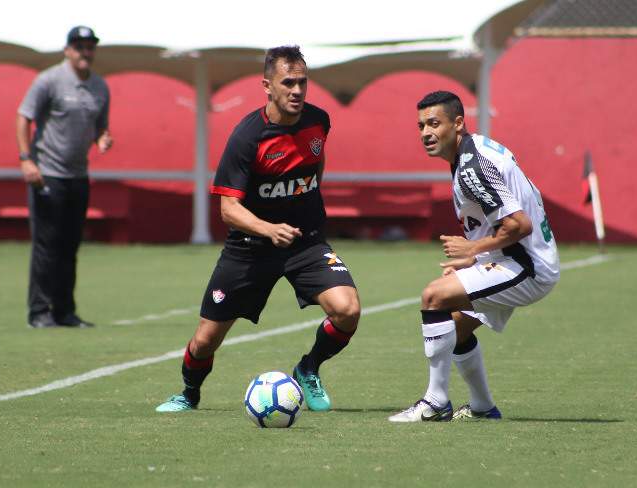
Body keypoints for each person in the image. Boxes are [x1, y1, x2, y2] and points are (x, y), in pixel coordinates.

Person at [156, 45, 361, 413]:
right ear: (267, 86)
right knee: (205, 341)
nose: (297, 90)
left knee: (347, 310)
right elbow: (228, 209)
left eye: (302, 82)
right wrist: (269, 229)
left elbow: (316, 162)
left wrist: (305, 204)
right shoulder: (247, 137)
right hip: (249, 248)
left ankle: (308, 369)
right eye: (288, 83)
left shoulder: (318, 120)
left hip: (305, 243)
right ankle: (189, 393)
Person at [388, 91, 559, 422]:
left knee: (434, 296)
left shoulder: (471, 168)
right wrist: (476, 259)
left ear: (458, 123)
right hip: (518, 257)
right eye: (421, 126)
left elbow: (519, 225)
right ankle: (483, 407)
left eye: (434, 123)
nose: (426, 133)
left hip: (526, 266)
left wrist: (472, 250)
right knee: (453, 328)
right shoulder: (473, 151)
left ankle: (435, 403)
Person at [16, 26, 112, 328]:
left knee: (70, 245)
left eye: (90, 46)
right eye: (79, 46)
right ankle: (39, 312)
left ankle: (64, 311)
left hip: (78, 176)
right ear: (68, 50)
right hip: (47, 174)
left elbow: (100, 126)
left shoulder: (100, 87)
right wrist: (26, 160)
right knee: (47, 245)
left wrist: (102, 138)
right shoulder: (49, 80)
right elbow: (24, 116)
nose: (85, 52)